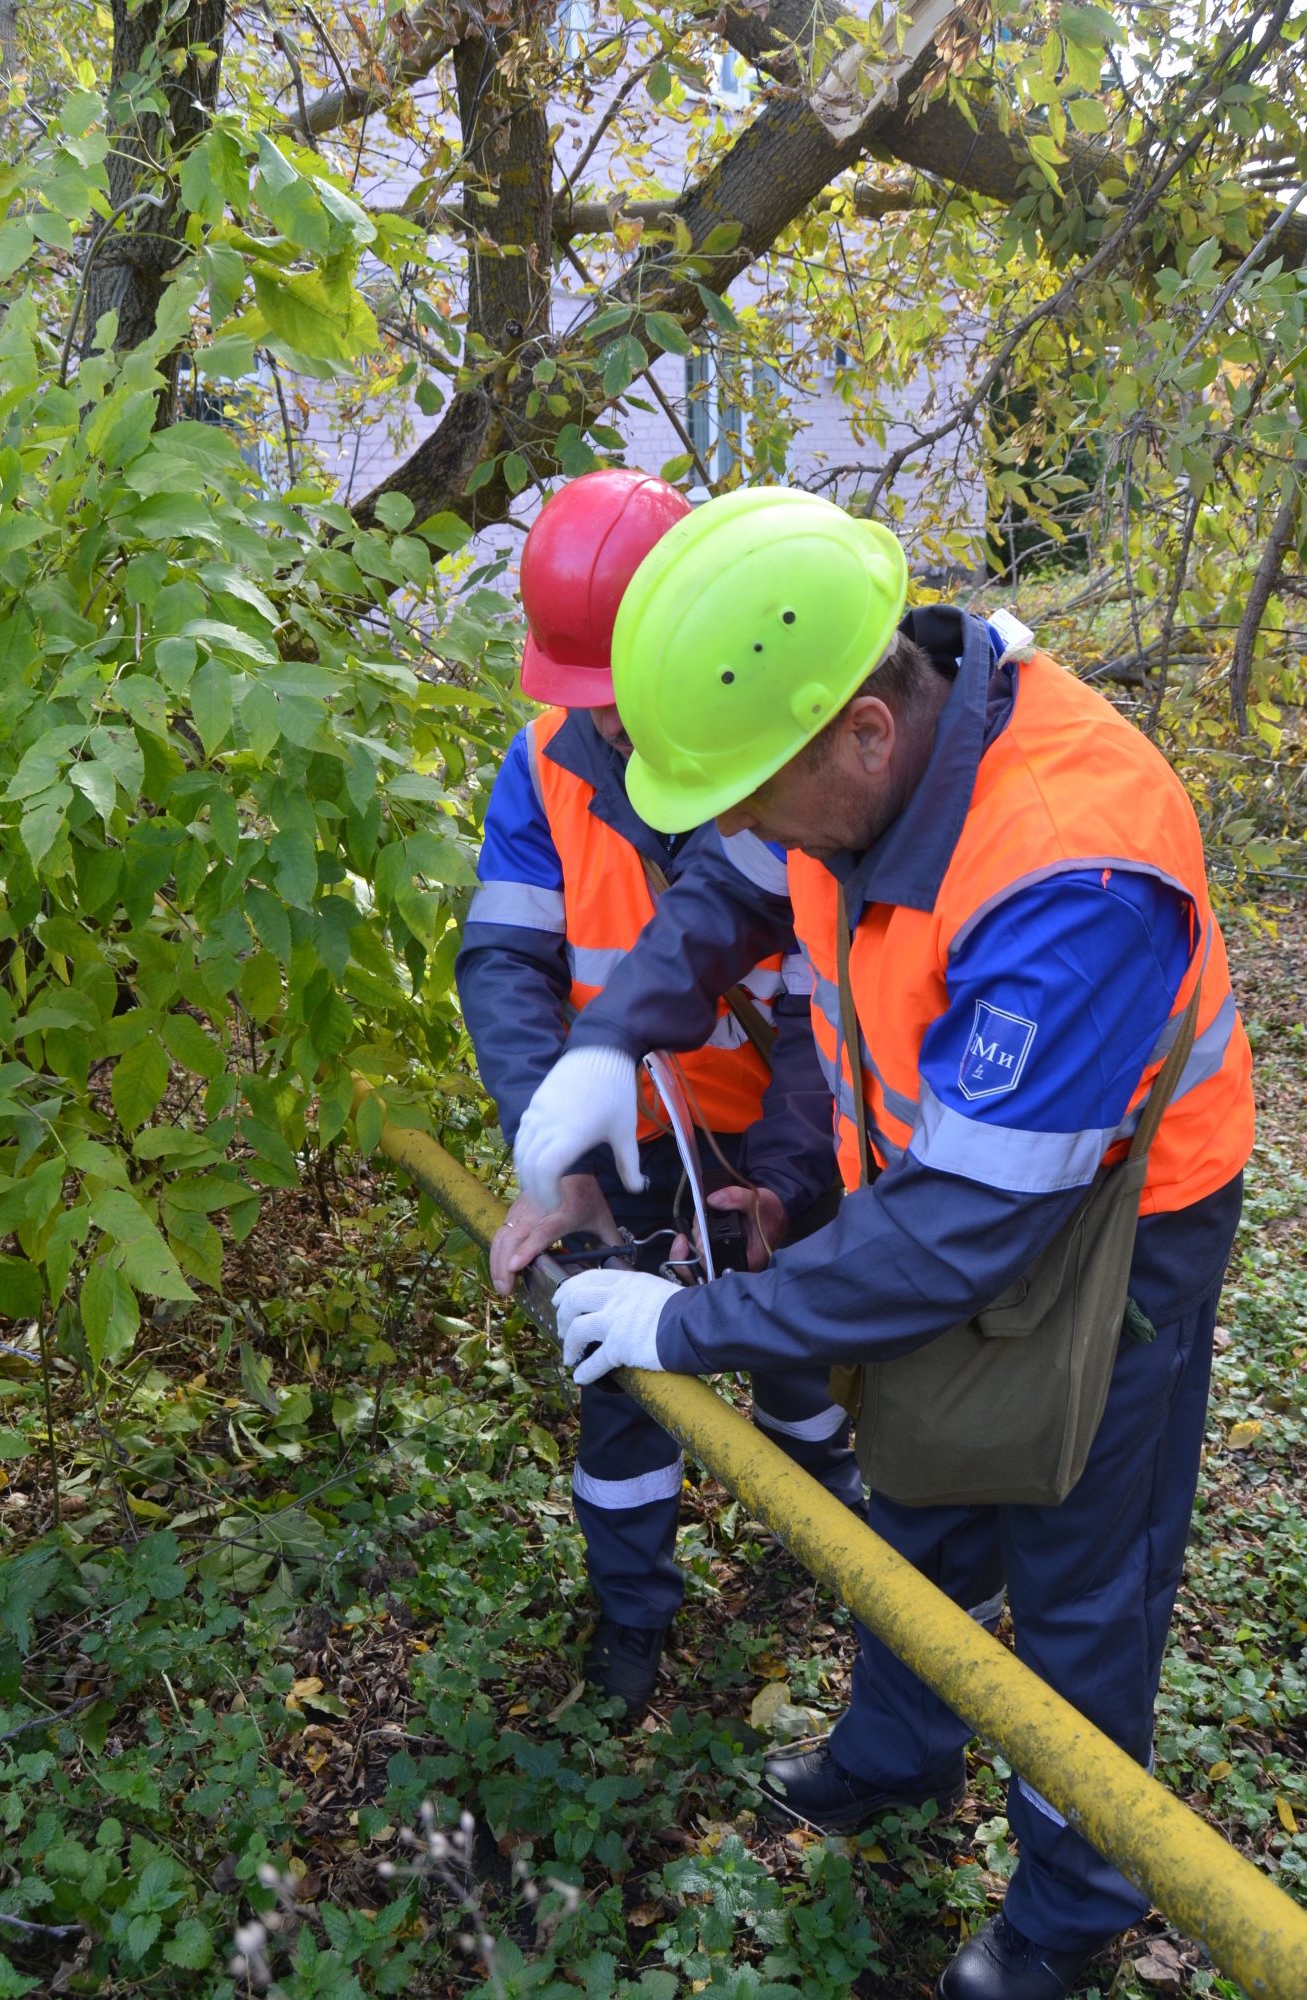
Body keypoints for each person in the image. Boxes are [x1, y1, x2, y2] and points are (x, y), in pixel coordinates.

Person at [517, 487, 1255, 2000]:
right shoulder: (865, 766)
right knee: (918, 1480)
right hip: (938, 1187)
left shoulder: (1071, 871)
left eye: (745, 789)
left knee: (1076, 1577)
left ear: (862, 730)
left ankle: (1069, 1908)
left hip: (1119, 1232)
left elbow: (962, 1239)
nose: (729, 826)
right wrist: (612, 1043)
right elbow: (734, 890)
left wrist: (689, 1329)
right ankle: (896, 1753)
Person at [454, 470, 861, 1723]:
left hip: (771, 1125)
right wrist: (554, 1159)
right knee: (619, 1391)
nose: (617, 728)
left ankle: (829, 1556)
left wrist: (786, 1180)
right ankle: (633, 1623)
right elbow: (507, 965)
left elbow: (823, 1008)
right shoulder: (542, 763)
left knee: (793, 1345)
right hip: (618, 1140)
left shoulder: (795, 760)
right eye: (595, 698)